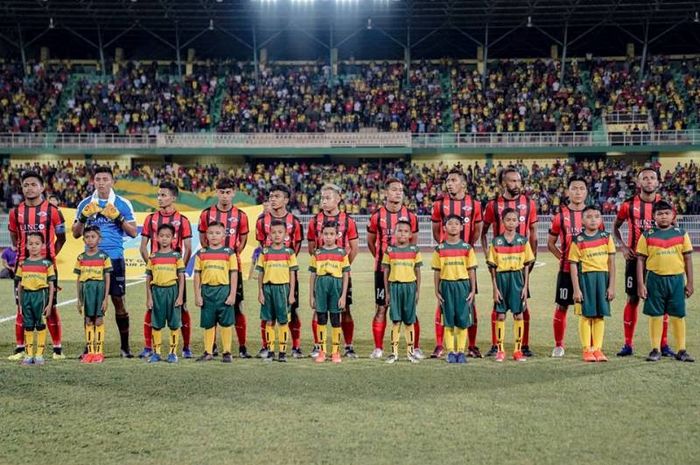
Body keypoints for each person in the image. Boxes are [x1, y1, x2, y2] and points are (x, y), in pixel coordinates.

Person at [73, 166, 138, 358]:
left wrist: (118, 217)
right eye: (98, 179)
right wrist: (84, 217)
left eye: (105, 179)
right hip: (91, 261)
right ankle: (90, 347)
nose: (101, 183)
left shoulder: (122, 203)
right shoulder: (85, 203)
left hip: (115, 257)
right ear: (93, 181)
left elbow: (133, 232)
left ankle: (125, 348)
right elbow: (76, 233)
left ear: (112, 182)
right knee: (91, 304)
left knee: (119, 302)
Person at [613, 168, 673, 357]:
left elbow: (672, 231)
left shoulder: (666, 207)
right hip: (634, 259)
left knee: (661, 302)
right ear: (639, 183)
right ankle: (628, 344)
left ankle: (663, 345)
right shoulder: (628, 205)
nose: (648, 181)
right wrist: (622, 247)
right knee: (633, 299)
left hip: (659, 260)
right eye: (644, 178)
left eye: (652, 178)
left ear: (658, 182)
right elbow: (615, 227)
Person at [8, 171, 66, 361]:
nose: (29, 188)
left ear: (42, 187)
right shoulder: (15, 212)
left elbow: (62, 238)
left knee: (50, 308)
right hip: (22, 268)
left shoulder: (53, 211)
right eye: (26, 185)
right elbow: (15, 237)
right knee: (21, 307)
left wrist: (49, 257)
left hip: (46, 267)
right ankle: (20, 348)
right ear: (22, 188)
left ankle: (57, 348)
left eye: (34, 184)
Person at [481, 167, 537, 357]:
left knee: (522, 303)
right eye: (512, 181)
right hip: (500, 261)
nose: (516, 184)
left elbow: (533, 233)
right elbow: (483, 232)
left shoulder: (529, 203)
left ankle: (524, 345)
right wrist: (487, 255)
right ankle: (497, 346)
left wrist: (532, 259)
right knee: (498, 304)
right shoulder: (493, 205)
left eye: (519, 181)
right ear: (503, 182)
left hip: (522, 262)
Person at [430, 168, 482, 359]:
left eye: (453, 180)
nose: (449, 183)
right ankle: (440, 345)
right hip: (447, 259)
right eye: (447, 180)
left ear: (463, 183)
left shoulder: (475, 204)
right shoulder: (439, 204)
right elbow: (436, 230)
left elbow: (477, 230)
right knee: (442, 303)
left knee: (470, 302)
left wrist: (465, 246)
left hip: (464, 258)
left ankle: (471, 345)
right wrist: (445, 246)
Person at [367, 177, 421, 360]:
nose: (398, 192)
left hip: (406, 271)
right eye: (394, 189)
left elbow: (414, 244)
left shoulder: (411, 217)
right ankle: (378, 348)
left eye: (401, 190)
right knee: (382, 308)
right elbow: (371, 242)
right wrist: (384, 260)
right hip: (382, 271)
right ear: (386, 193)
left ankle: (416, 347)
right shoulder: (377, 216)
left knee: (410, 309)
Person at [548, 176, 602, 357]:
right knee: (562, 306)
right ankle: (558, 344)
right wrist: (563, 258)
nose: (578, 192)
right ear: (568, 191)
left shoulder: (593, 215)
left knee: (591, 308)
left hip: (588, 271)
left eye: (581, 188)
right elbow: (551, 243)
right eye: (574, 188)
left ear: (586, 192)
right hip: (565, 271)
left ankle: (592, 347)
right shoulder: (560, 216)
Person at [139, 181, 193, 359]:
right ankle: (149, 347)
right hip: (157, 274)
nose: (160, 198)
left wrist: (178, 269)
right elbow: (143, 247)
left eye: (164, 195)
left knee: (181, 308)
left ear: (173, 197)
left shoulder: (182, 220)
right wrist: (153, 266)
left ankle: (185, 347)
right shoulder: (150, 219)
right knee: (151, 308)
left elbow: (188, 248)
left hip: (174, 276)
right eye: (158, 195)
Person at [198, 177, 250, 358]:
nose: (225, 196)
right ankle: (210, 348)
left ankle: (242, 347)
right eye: (221, 192)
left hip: (232, 268)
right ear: (216, 192)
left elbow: (242, 241)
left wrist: (231, 258)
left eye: (228, 192)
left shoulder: (241, 215)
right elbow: (203, 239)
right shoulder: (206, 214)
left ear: (234, 193)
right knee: (210, 307)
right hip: (211, 269)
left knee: (236, 307)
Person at [636, 201, 694, 362]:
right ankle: (655, 349)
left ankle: (681, 350)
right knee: (656, 315)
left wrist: (690, 282)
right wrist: (641, 284)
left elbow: (688, 258)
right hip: (655, 279)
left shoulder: (681, 233)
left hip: (676, 279)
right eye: (659, 214)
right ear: (653, 216)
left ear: (673, 215)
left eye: (666, 213)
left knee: (678, 315)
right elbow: (640, 260)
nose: (663, 216)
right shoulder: (647, 234)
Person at [307, 184, 359, 359]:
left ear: (338, 199)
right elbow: (312, 248)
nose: (324, 201)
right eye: (322, 198)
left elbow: (354, 248)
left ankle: (348, 346)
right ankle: (318, 346)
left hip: (339, 275)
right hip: (321, 276)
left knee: (344, 309)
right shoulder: (314, 221)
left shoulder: (348, 221)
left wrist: (340, 267)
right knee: (318, 310)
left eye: (328, 197)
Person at [255, 184, 303, 357]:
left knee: (292, 310)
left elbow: (295, 247)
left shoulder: (295, 222)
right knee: (267, 313)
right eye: (271, 196)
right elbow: (262, 245)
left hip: (286, 275)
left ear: (286, 200)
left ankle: (295, 346)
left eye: (276, 196)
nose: (272, 199)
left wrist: (285, 262)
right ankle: (265, 346)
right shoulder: (261, 221)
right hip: (269, 275)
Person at [568, 206, 616, 362]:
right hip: (585, 280)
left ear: (601, 219)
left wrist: (611, 286)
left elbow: (611, 263)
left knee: (599, 314)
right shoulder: (578, 240)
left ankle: (597, 348)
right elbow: (573, 265)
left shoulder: (606, 237)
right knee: (586, 314)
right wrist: (576, 289)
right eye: (589, 216)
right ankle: (586, 349)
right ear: (582, 220)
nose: (593, 219)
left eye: (596, 216)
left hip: (602, 279)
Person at [487, 208, 535, 362]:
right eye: (508, 220)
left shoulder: (523, 241)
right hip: (501, 279)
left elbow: (526, 266)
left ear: (518, 221)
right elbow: (492, 268)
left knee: (518, 314)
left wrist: (525, 287)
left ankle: (517, 350)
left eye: (514, 220)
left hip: (517, 280)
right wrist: (495, 288)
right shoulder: (496, 242)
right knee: (500, 315)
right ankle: (500, 350)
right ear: (503, 221)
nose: (511, 223)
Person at [431, 215, 477, 364]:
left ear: (461, 227)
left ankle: (461, 352)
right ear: (444, 228)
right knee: (448, 321)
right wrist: (437, 291)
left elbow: (471, 270)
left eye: (456, 224)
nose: (453, 226)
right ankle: (451, 351)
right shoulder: (440, 249)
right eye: (450, 224)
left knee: (463, 320)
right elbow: (437, 271)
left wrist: (472, 290)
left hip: (463, 286)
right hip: (446, 286)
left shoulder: (467, 248)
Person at [193, 222, 239, 363]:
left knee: (225, 323)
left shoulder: (229, 253)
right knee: (208, 323)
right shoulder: (201, 253)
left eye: (217, 233)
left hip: (223, 290)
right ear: (206, 235)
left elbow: (234, 274)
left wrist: (232, 294)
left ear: (224, 235)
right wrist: (197, 295)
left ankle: (227, 352)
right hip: (207, 291)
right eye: (211, 233)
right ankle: (208, 352)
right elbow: (197, 275)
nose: (214, 236)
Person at [256, 219, 299, 363]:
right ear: (269, 234)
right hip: (268, 288)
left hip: (283, 289)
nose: (277, 235)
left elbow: (293, 274)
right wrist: (260, 291)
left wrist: (291, 293)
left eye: (280, 232)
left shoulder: (289, 252)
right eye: (273, 232)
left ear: (286, 234)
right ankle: (270, 351)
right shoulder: (265, 252)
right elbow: (260, 273)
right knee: (269, 321)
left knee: (283, 321)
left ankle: (282, 352)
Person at [309, 221, 350, 364]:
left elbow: (346, 275)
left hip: (336, 285)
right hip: (321, 285)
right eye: (325, 234)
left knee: (335, 319)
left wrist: (343, 295)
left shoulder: (341, 252)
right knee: (321, 318)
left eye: (331, 234)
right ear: (321, 235)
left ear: (337, 235)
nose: (328, 237)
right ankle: (322, 351)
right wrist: (311, 296)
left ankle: (335, 352)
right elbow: (313, 275)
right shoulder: (317, 253)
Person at [381, 221, 422, 364]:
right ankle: (394, 353)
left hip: (410, 287)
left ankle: (411, 353)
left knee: (409, 320)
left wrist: (417, 291)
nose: (402, 233)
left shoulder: (414, 250)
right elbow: (386, 271)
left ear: (410, 234)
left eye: (405, 231)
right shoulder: (390, 251)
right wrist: (387, 292)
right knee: (396, 320)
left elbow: (417, 271)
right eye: (399, 230)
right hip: (395, 287)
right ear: (394, 233)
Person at [145, 224, 186, 364]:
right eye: (161, 236)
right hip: (157, 292)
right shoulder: (153, 257)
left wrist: (180, 296)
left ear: (173, 238)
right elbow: (148, 278)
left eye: (167, 236)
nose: (164, 239)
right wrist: (149, 297)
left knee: (174, 324)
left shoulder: (176, 256)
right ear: (156, 237)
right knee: (156, 323)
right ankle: (156, 353)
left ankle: (173, 353)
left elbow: (181, 277)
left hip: (172, 291)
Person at [15, 232, 56, 366]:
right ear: (26, 246)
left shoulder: (47, 264)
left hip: (40, 296)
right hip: (27, 297)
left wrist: (49, 304)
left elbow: (51, 285)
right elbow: (19, 285)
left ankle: (39, 355)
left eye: (37, 244)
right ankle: (28, 355)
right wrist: (20, 304)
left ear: (43, 245)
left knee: (40, 324)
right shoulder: (23, 264)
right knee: (28, 326)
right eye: (30, 244)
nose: (34, 247)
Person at [74, 226, 112, 364]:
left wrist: (105, 298)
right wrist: (79, 299)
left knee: (98, 320)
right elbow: (78, 279)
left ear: (99, 239)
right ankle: (90, 353)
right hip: (86, 289)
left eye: (93, 237)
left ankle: (99, 352)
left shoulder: (104, 257)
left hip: (99, 288)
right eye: (87, 237)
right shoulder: (81, 257)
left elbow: (107, 277)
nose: (90, 240)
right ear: (84, 239)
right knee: (88, 320)